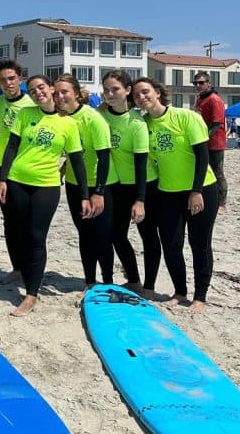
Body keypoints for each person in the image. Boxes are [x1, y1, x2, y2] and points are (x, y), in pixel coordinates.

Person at [0, 75, 89, 316]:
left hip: (45, 187)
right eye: (32, 90)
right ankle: (23, 274)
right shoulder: (25, 114)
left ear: (51, 89)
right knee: (18, 232)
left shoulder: (68, 123)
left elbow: (77, 162)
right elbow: (12, 147)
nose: (37, 92)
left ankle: (31, 294)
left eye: (41, 87)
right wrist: (3, 179)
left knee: (36, 237)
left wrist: (85, 194)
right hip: (17, 181)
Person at [132, 77, 218, 313]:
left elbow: (202, 156)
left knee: (199, 244)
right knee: (171, 243)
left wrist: (196, 191)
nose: (142, 97)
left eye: (146, 92)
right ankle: (180, 292)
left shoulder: (185, 116)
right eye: (137, 94)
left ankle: (200, 296)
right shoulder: (141, 124)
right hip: (168, 192)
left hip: (201, 190)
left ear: (158, 92)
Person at [100, 70, 162, 297]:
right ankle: (134, 280)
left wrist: (140, 200)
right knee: (117, 235)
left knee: (148, 236)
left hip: (143, 186)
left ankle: (149, 287)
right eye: (106, 89)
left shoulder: (137, 123)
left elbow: (141, 164)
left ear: (127, 90)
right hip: (117, 187)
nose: (110, 93)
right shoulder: (103, 116)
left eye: (115, 89)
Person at [54, 74, 116, 291]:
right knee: (84, 235)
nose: (59, 96)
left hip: (98, 186)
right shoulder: (61, 119)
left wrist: (98, 192)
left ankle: (108, 281)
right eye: (57, 93)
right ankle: (89, 281)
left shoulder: (93, 118)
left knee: (101, 236)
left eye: (64, 92)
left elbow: (105, 157)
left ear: (77, 94)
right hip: (74, 185)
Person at [0, 59, 34, 282]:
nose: (7, 83)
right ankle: (17, 268)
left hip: (26, 169)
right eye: (2, 80)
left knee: (28, 222)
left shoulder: (31, 104)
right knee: (10, 221)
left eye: (11, 78)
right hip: (2, 168)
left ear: (20, 78)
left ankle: (31, 267)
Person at [194, 72, 228, 213]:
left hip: (215, 143)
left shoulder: (215, 100)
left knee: (217, 172)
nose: (198, 85)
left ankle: (222, 203)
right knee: (202, 170)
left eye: (201, 83)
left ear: (209, 83)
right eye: (196, 83)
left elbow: (216, 123)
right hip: (203, 141)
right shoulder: (200, 99)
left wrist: (203, 137)